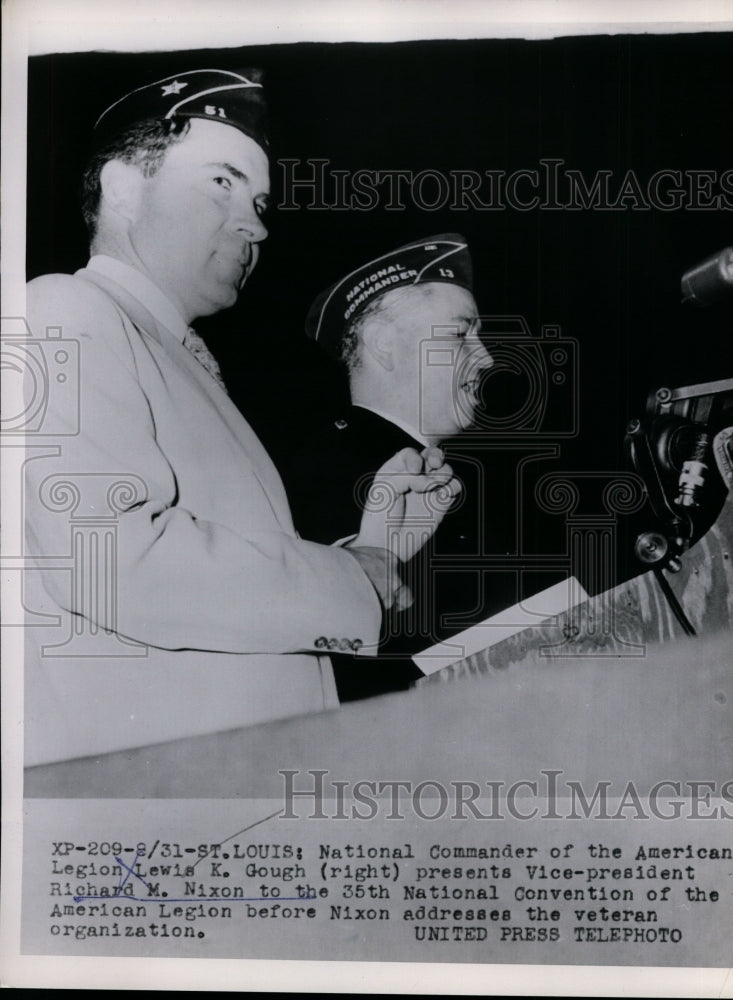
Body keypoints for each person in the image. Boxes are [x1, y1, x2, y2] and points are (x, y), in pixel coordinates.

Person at [22, 69, 459, 766]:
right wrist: (354, 581)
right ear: (122, 188)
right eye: (221, 183)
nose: (255, 223)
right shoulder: (62, 311)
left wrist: (369, 551)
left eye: (258, 200)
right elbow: (113, 566)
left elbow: (210, 603)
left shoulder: (176, 358)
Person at [281, 235, 493, 700]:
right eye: (461, 334)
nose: (487, 358)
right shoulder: (331, 470)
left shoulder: (433, 468)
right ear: (383, 345)